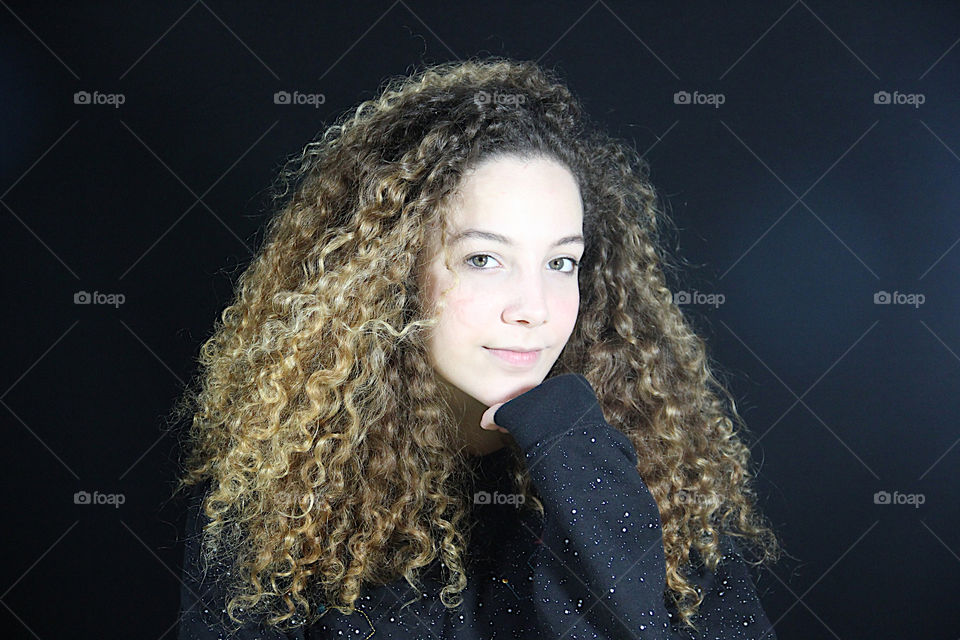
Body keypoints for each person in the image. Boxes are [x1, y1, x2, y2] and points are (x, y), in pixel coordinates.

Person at [171, 57, 781, 639]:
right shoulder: (282, 494)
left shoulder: (657, 476)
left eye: (561, 262)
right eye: (483, 259)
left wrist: (570, 447)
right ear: (394, 272)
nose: (534, 308)